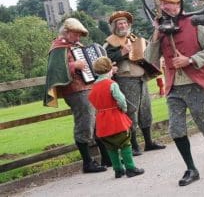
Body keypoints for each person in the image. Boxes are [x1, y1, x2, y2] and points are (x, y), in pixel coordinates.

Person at [145, 0, 204, 187]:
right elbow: (149, 59)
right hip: (174, 87)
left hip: (196, 82)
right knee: (176, 130)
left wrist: (190, 60)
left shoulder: (195, 22)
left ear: (178, 5)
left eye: (168, 4)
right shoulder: (160, 29)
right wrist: (155, 32)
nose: (165, 7)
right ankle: (191, 168)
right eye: (162, 5)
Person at [44, 18, 109, 173]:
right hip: (75, 91)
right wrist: (74, 65)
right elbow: (55, 71)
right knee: (84, 124)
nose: (79, 38)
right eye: (76, 34)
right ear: (66, 32)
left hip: (89, 87)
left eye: (80, 35)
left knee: (97, 122)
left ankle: (106, 158)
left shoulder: (77, 46)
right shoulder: (58, 48)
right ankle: (87, 163)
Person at [104, 11, 165, 156]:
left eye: (125, 23)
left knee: (145, 110)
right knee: (131, 112)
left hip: (141, 79)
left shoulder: (133, 38)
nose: (123, 25)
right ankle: (134, 146)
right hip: (125, 80)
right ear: (114, 26)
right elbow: (106, 60)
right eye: (120, 23)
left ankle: (149, 142)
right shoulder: (110, 43)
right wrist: (122, 53)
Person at [88, 56, 145, 178]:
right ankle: (130, 168)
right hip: (115, 118)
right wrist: (123, 109)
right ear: (109, 69)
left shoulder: (93, 87)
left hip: (102, 120)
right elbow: (121, 99)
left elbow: (92, 100)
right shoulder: (111, 84)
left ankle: (118, 169)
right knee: (125, 143)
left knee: (111, 146)